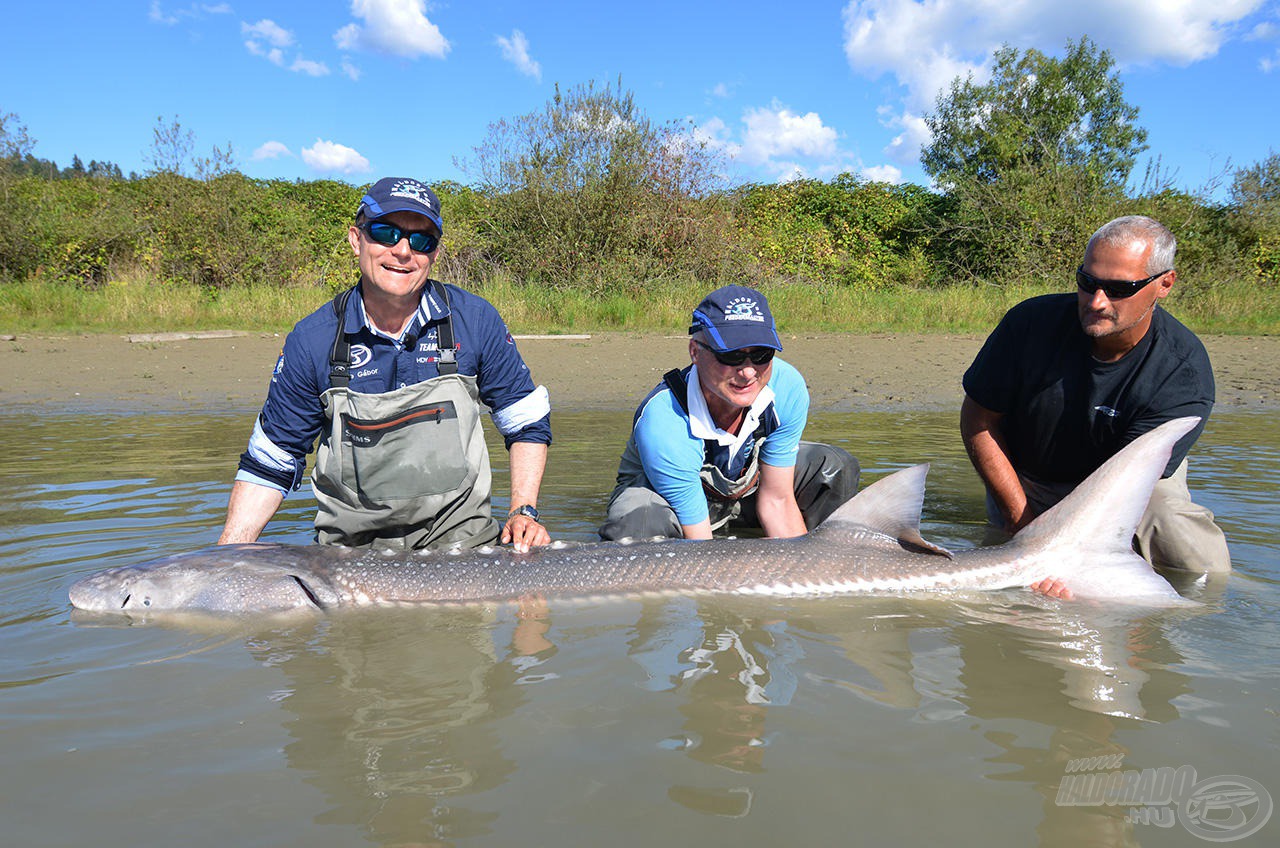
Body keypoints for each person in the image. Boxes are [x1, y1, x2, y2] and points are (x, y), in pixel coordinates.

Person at [219, 177, 552, 553]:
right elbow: (271, 462)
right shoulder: (313, 340)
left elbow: (525, 421)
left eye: (421, 239)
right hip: (347, 557)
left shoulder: (475, 320)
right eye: (385, 232)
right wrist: (225, 557)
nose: (403, 251)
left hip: (464, 548)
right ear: (356, 239)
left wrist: (523, 512)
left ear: (435, 254)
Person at [960, 215, 1230, 594]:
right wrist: (1024, 526)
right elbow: (978, 419)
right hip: (1031, 479)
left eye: (1119, 288)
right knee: (1015, 578)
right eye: (1087, 282)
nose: (1096, 302)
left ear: (1164, 284)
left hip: (1131, 478)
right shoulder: (1029, 324)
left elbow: (1118, 490)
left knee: (1197, 566)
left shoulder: (1182, 373)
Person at [599, 284, 858, 541]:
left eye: (761, 354)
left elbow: (777, 501)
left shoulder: (787, 386)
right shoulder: (665, 419)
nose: (747, 372)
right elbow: (699, 543)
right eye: (731, 356)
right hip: (671, 507)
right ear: (695, 352)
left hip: (745, 492)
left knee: (832, 465)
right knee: (640, 525)